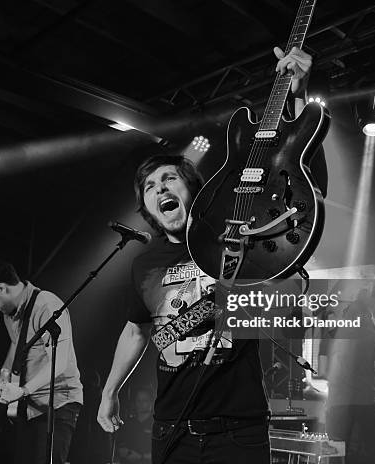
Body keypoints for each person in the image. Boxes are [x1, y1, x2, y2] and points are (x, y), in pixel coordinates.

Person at [97, 46, 321, 464]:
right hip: (170, 429)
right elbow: (136, 332)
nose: (160, 188)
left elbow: (297, 186)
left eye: (169, 179)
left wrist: (298, 95)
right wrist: (109, 391)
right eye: (150, 187)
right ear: (146, 208)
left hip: (238, 430)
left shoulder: (234, 233)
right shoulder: (143, 263)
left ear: (195, 188)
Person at [0, 260, 83, 464]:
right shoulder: (10, 315)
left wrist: (23, 390)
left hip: (58, 404)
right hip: (29, 407)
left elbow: (59, 362)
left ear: (1, 288)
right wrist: (4, 378)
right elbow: (16, 346)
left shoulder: (47, 305)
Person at [319, 288, 375, 464]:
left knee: (335, 452)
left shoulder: (331, 335)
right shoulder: (372, 335)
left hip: (338, 402)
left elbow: (323, 370)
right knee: (371, 452)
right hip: (366, 400)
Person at [117, 388, 154, 464]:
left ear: (151, 402)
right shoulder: (127, 424)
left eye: (144, 400)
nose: (141, 403)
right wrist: (127, 454)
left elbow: (162, 452)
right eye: (138, 400)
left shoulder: (156, 424)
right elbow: (119, 447)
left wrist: (141, 457)